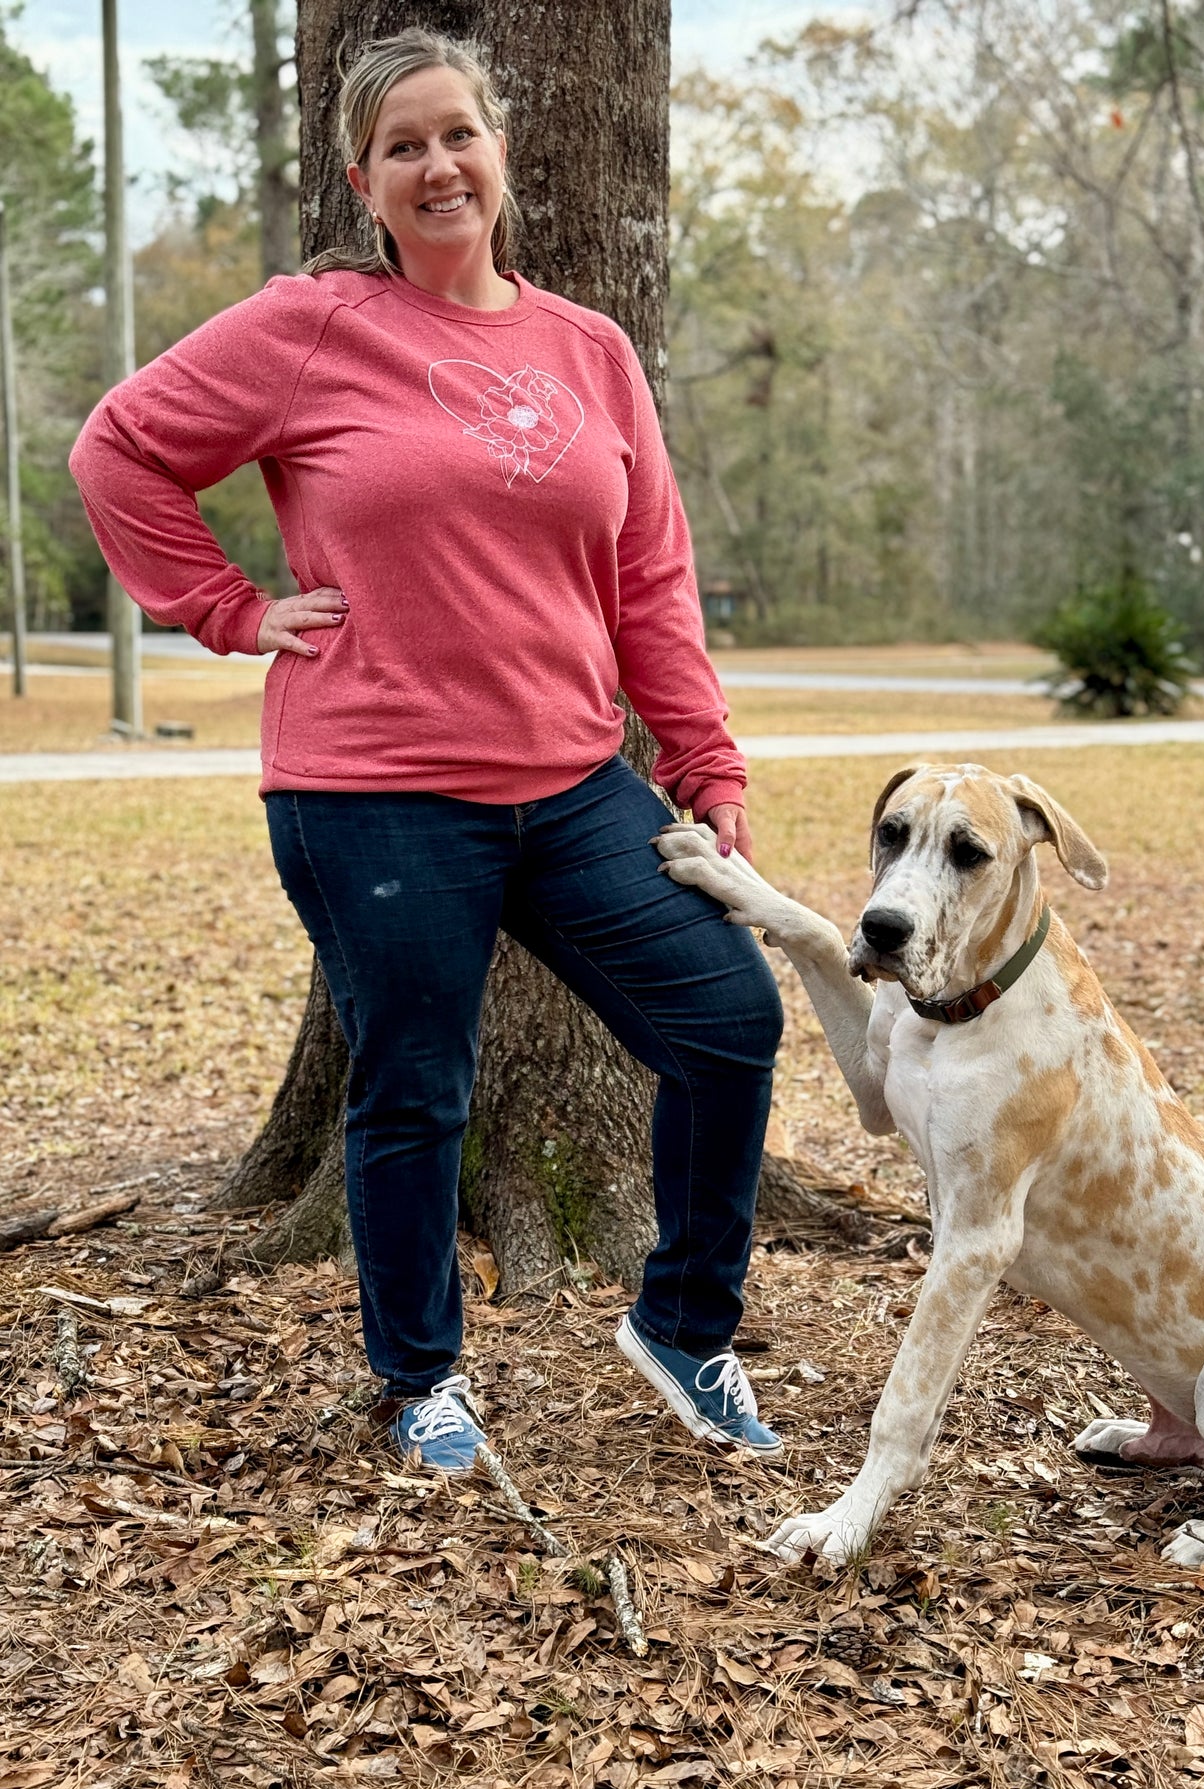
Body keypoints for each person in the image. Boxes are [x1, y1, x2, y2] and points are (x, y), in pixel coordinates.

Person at [70, 27, 785, 1473]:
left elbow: (650, 576)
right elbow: (117, 449)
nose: (437, 164)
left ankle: (683, 1322)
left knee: (727, 1020)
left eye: (457, 133)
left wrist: (704, 764)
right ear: (366, 182)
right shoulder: (310, 325)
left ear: (500, 151)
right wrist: (228, 608)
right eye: (404, 146)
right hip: (374, 789)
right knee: (414, 1084)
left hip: (577, 782)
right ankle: (421, 1377)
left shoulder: (588, 348)